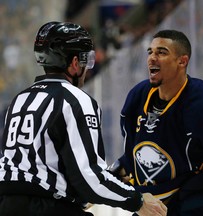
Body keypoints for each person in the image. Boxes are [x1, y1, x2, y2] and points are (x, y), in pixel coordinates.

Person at [0, 21, 167, 216]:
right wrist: (137, 200)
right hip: (47, 208)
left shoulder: (19, 100)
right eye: (85, 60)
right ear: (73, 64)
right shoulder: (75, 100)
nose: (87, 68)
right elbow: (88, 178)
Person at [109, 30, 203, 215]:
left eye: (161, 52)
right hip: (149, 206)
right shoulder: (137, 97)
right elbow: (132, 157)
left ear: (182, 61)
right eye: (150, 52)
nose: (152, 58)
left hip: (192, 205)